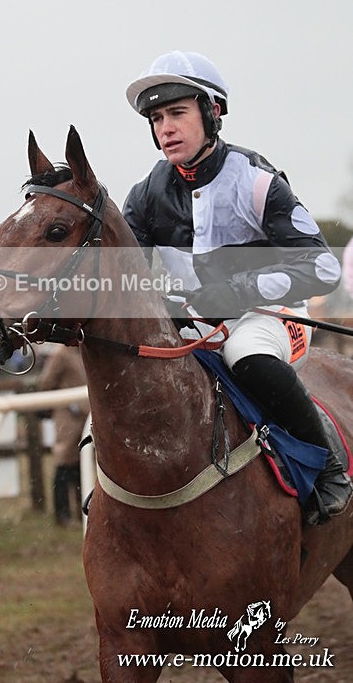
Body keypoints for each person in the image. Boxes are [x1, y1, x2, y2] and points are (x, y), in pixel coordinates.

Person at [123, 49, 352, 524]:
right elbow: (127, 274)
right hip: (198, 320)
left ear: (213, 112)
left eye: (178, 113)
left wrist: (241, 289)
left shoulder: (257, 180)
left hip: (271, 317)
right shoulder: (145, 195)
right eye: (158, 117)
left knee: (246, 357)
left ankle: (328, 467)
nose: (165, 127)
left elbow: (322, 268)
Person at [35, 345, 89, 526]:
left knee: (82, 464)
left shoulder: (82, 350)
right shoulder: (61, 354)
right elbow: (46, 382)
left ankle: (82, 512)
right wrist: (65, 401)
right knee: (64, 463)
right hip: (67, 415)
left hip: (85, 415)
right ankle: (62, 514)